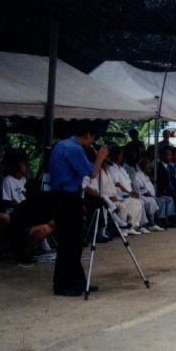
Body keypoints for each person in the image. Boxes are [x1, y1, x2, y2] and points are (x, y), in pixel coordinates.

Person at [47, 122, 108, 296]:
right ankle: (64, 284)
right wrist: (100, 157)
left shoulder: (61, 145)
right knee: (70, 241)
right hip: (66, 197)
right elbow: (92, 173)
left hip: (64, 196)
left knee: (72, 241)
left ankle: (78, 280)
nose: (91, 144)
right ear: (88, 135)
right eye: (92, 140)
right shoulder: (74, 149)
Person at [1, 153, 54, 263]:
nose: (26, 166)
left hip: (26, 213)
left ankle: (37, 247)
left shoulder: (25, 180)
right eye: (22, 164)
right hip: (15, 214)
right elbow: (7, 200)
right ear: (16, 165)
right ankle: (25, 251)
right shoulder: (7, 180)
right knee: (41, 227)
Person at [134, 154, 174, 229]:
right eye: (148, 164)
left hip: (152, 196)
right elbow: (142, 190)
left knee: (169, 199)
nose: (150, 166)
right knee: (161, 201)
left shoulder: (146, 175)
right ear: (142, 165)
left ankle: (168, 219)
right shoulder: (137, 175)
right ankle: (160, 221)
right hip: (144, 196)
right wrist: (153, 196)